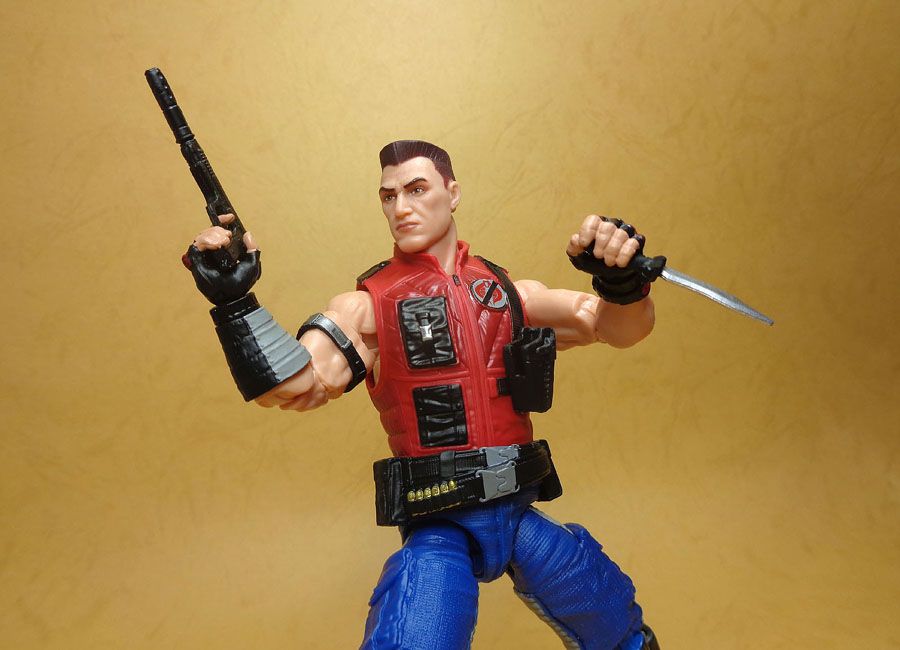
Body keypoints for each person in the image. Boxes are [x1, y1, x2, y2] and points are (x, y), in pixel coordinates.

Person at [184, 140, 661, 650]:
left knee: (609, 613)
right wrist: (236, 305)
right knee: (417, 632)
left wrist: (622, 285)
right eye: (388, 196)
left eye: (416, 190)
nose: (401, 208)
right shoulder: (368, 307)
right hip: (441, 517)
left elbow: (614, 327)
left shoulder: (506, 292)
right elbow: (296, 386)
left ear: (452, 194)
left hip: (518, 505)